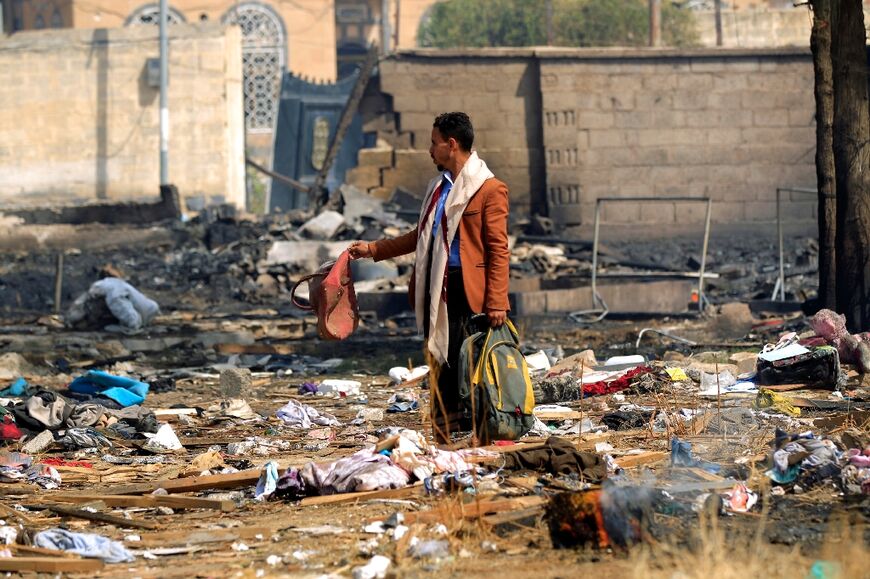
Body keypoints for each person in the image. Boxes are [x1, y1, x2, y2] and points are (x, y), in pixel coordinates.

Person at [348, 112, 511, 443]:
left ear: (451, 145)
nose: (429, 150)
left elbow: (498, 251)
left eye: (434, 143)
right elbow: (421, 236)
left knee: (470, 366)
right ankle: (445, 438)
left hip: (469, 292)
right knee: (442, 366)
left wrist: (497, 301)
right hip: (436, 291)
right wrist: (373, 249)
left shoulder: (488, 189)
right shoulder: (438, 189)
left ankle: (479, 434)